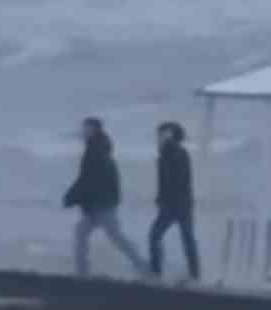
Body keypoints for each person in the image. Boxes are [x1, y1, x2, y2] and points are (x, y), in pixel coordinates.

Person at [63, 117, 146, 278]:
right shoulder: (98, 148)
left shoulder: (96, 151)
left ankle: (83, 273)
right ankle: (83, 272)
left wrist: (72, 197)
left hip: (101, 204)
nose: (83, 132)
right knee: (94, 234)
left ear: (93, 129)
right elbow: (88, 178)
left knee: (113, 237)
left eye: (86, 128)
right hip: (100, 203)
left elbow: (88, 178)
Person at [149, 121, 201, 283]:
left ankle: (157, 273)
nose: (159, 136)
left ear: (171, 135)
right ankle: (193, 274)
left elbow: (174, 180)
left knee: (156, 236)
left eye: (163, 133)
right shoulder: (168, 153)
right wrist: (160, 198)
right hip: (179, 203)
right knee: (186, 238)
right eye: (159, 134)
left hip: (176, 204)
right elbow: (165, 181)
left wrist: (163, 199)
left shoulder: (174, 152)